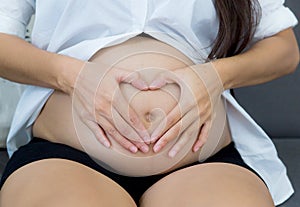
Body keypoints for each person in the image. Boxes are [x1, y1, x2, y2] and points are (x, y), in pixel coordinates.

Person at [0, 0, 299, 206]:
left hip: (199, 158)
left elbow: (284, 49)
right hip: (68, 155)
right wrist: (72, 75)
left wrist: (215, 76)